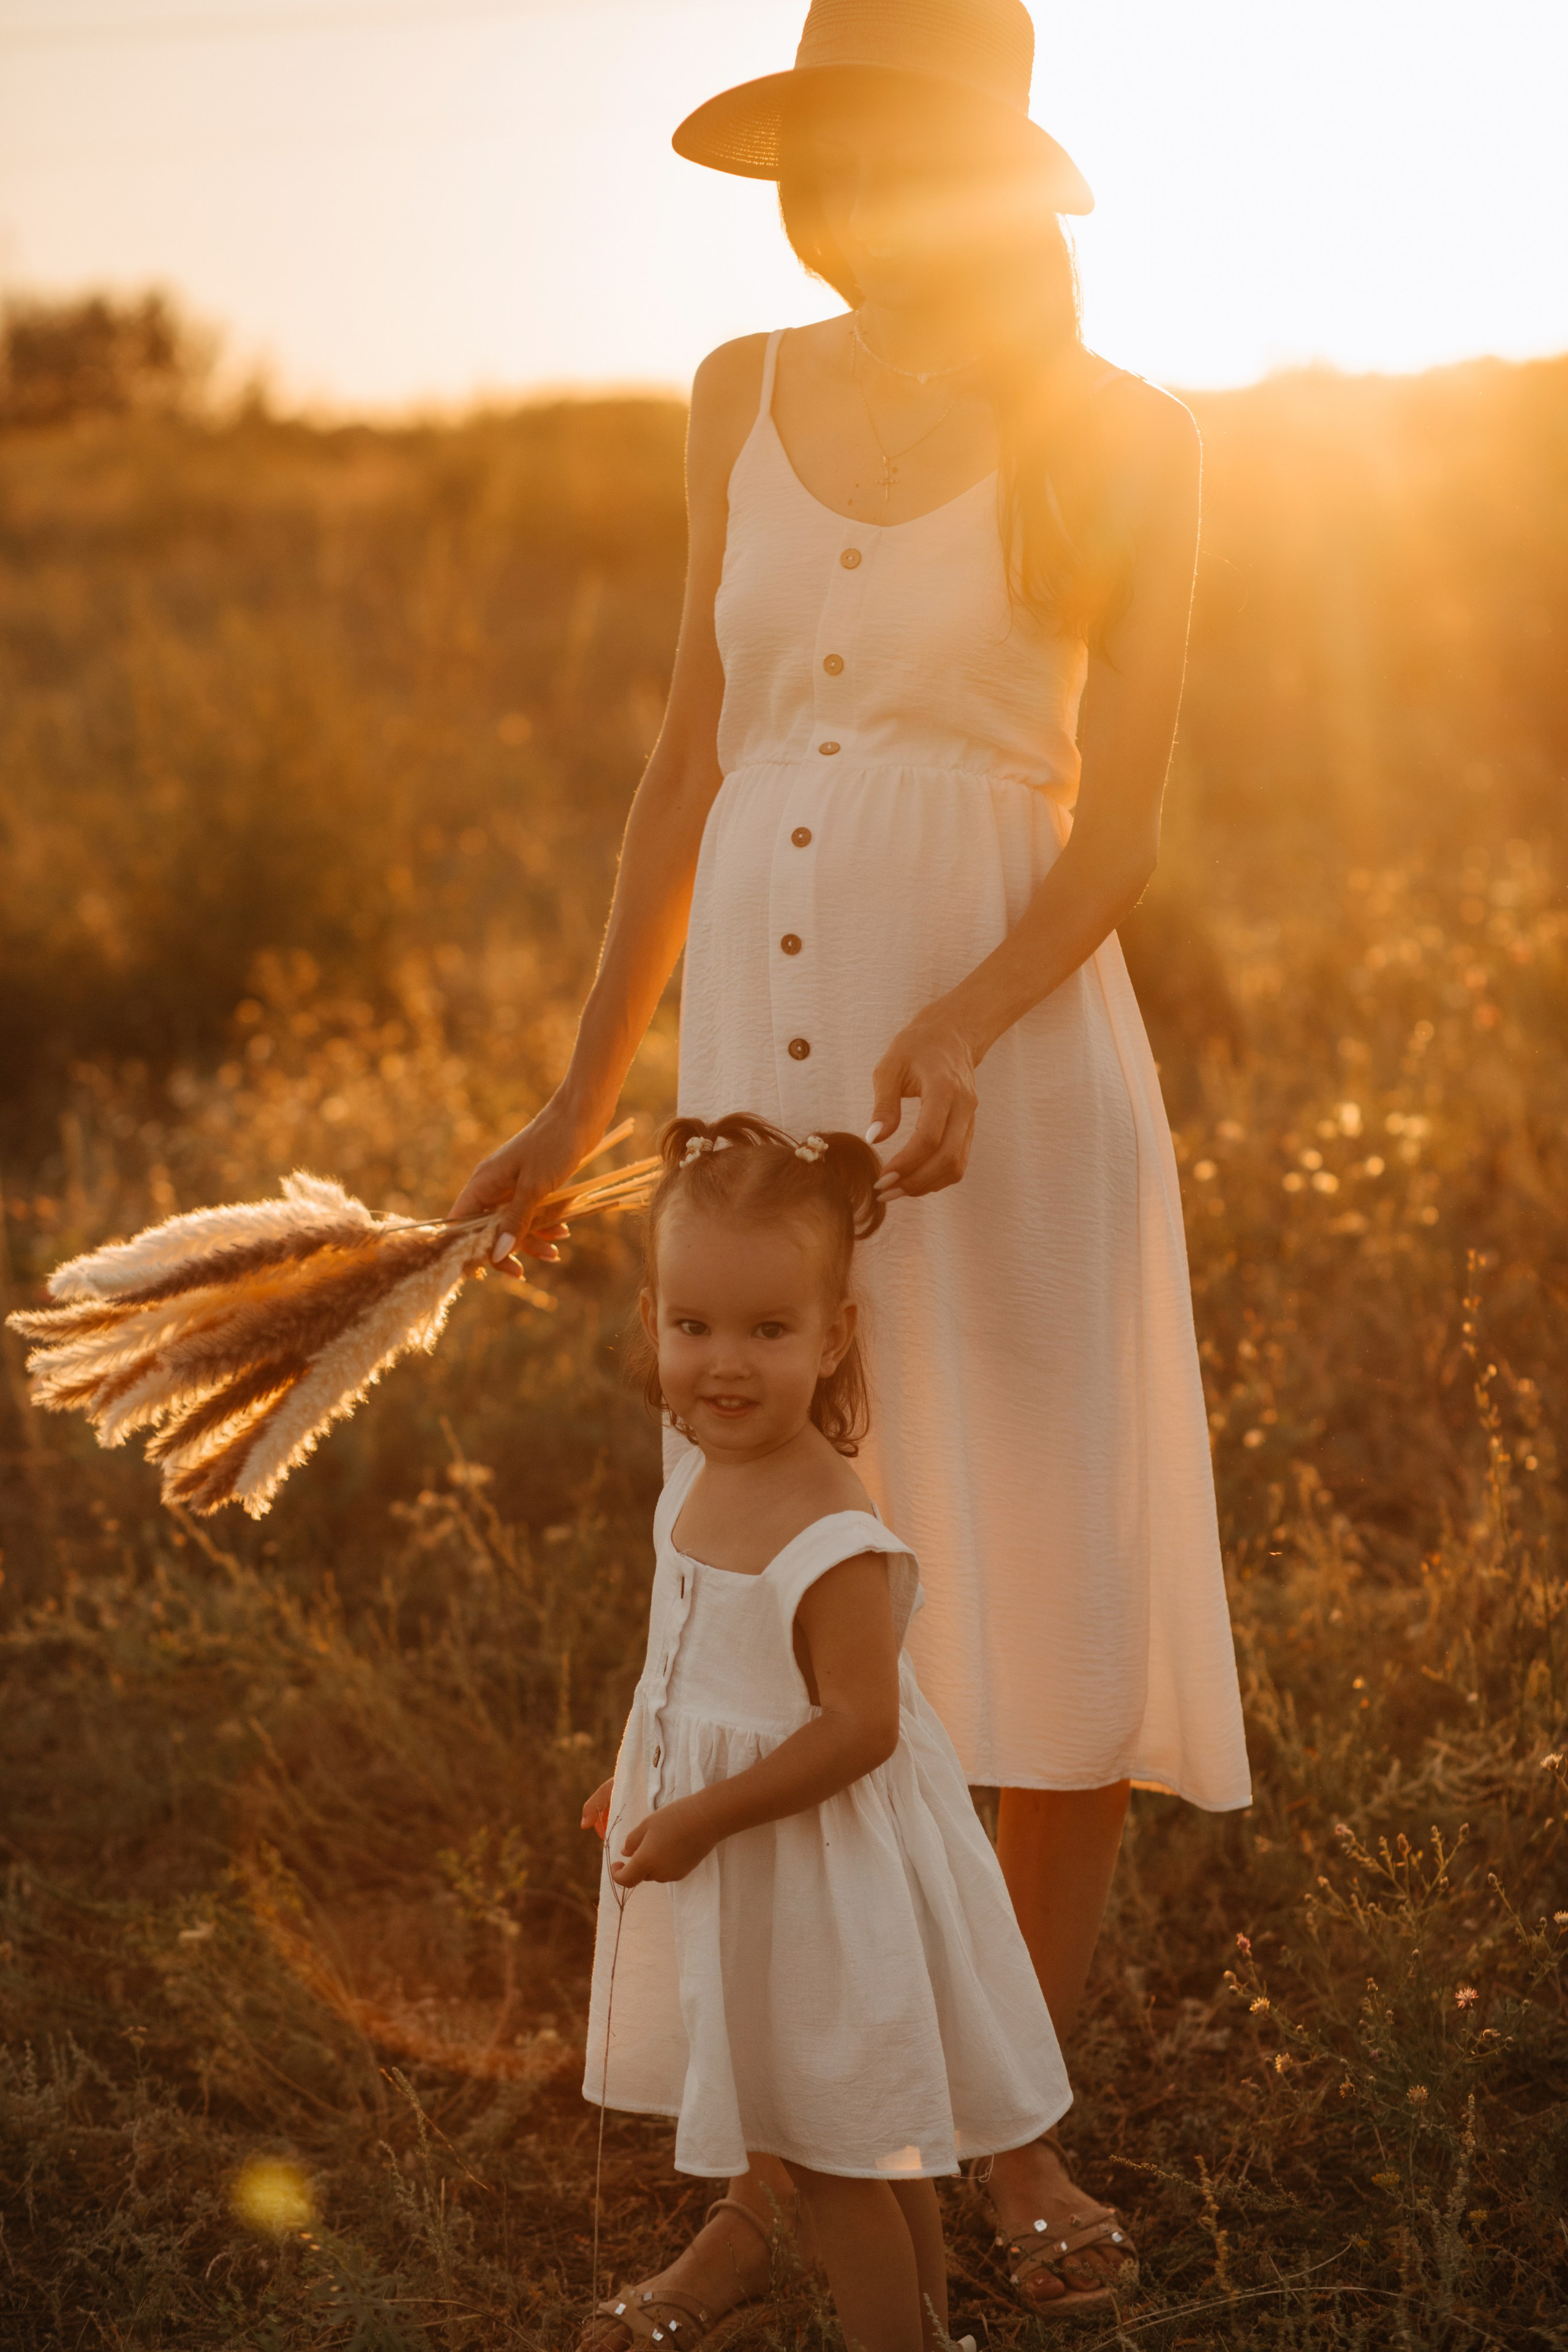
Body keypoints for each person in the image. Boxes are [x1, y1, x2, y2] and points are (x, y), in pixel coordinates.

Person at [452, 0, 1251, 2327]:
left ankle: (1013, 2142)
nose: (868, 204)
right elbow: (683, 765)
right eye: (836, 159)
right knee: (765, 1631)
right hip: (757, 1078)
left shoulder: (1126, 436)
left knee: (1047, 1629)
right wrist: (577, 1100)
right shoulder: (738, 392)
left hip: (1003, 1075)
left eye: (913, 160)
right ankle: (774, 2181)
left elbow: (1122, 829)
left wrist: (970, 1021)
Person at [579, 1115, 1131, 2351]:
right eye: (693, 1326)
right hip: (751, 1863)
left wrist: (702, 1816)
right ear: (652, 1322)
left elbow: (861, 1727)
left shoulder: (830, 1532)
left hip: (818, 1877)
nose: (725, 1364)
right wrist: (642, 1777)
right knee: (863, 2147)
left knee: (839, 2167)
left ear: (834, 1338)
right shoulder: (698, 1474)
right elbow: (685, 1660)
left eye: (768, 1332)